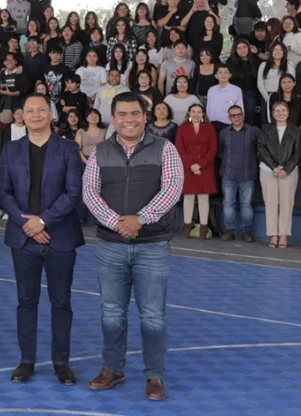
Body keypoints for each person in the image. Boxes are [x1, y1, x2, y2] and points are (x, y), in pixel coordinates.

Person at [82, 92, 182, 401]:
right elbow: (90, 193)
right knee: (111, 313)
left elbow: (173, 188)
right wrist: (117, 223)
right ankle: (113, 368)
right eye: (122, 114)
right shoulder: (100, 151)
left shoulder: (165, 149)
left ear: (145, 117)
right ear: (113, 118)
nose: (129, 119)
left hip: (152, 245)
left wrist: (141, 219)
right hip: (111, 245)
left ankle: (154, 376)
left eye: (135, 113)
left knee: (153, 316)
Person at [0, 93, 84, 386]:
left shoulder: (69, 149)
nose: (35, 114)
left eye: (41, 110)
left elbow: (73, 193)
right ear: (21, 115)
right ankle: (27, 360)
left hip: (59, 237)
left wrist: (43, 220)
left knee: (61, 302)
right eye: (29, 110)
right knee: (26, 301)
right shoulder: (11, 150)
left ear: (51, 114)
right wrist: (27, 223)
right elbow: (3, 192)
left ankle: (61, 362)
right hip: (23, 238)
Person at [257, 101, 301, 249]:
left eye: (283, 110)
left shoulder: (295, 130)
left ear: (288, 113)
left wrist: (286, 169)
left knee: (286, 202)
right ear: (272, 113)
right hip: (268, 169)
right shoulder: (265, 129)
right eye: (277, 111)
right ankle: (273, 234)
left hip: (288, 171)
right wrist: (275, 168)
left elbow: (297, 154)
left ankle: (283, 235)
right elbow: (261, 150)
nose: (280, 113)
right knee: (270, 203)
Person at [218, 105, 259, 242]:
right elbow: (219, 152)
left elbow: (259, 151)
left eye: (238, 115)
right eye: (233, 115)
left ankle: (246, 231)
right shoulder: (224, 133)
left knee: (246, 204)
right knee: (228, 203)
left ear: (243, 115)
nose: (236, 117)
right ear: (229, 117)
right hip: (229, 174)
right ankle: (229, 231)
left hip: (248, 174)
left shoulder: (253, 131)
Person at [175, 103, 216, 239]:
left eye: (199, 112)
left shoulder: (209, 128)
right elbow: (180, 148)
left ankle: (203, 228)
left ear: (203, 114)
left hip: (205, 168)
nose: (196, 114)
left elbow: (213, 149)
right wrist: (191, 165)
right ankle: (187, 227)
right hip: (188, 168)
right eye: (193, 111)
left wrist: (200, 165)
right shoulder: (182, 128)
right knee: (188, 197)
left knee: (204, 198)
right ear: (189, 113)